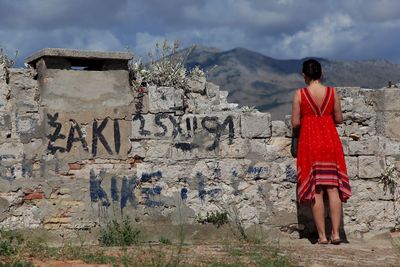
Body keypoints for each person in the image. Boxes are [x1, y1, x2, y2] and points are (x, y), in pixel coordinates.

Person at [291, 59, 352, 245]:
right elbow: (339, 119)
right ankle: (335, 234)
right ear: (321, 72)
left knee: (316, 190)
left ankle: (322, 237)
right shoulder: (333, 93)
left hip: (310, 143)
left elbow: (295, 123)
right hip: (330, 142)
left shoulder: (300, 94)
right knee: (333, 189)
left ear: (305, 75)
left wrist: (308, 117)